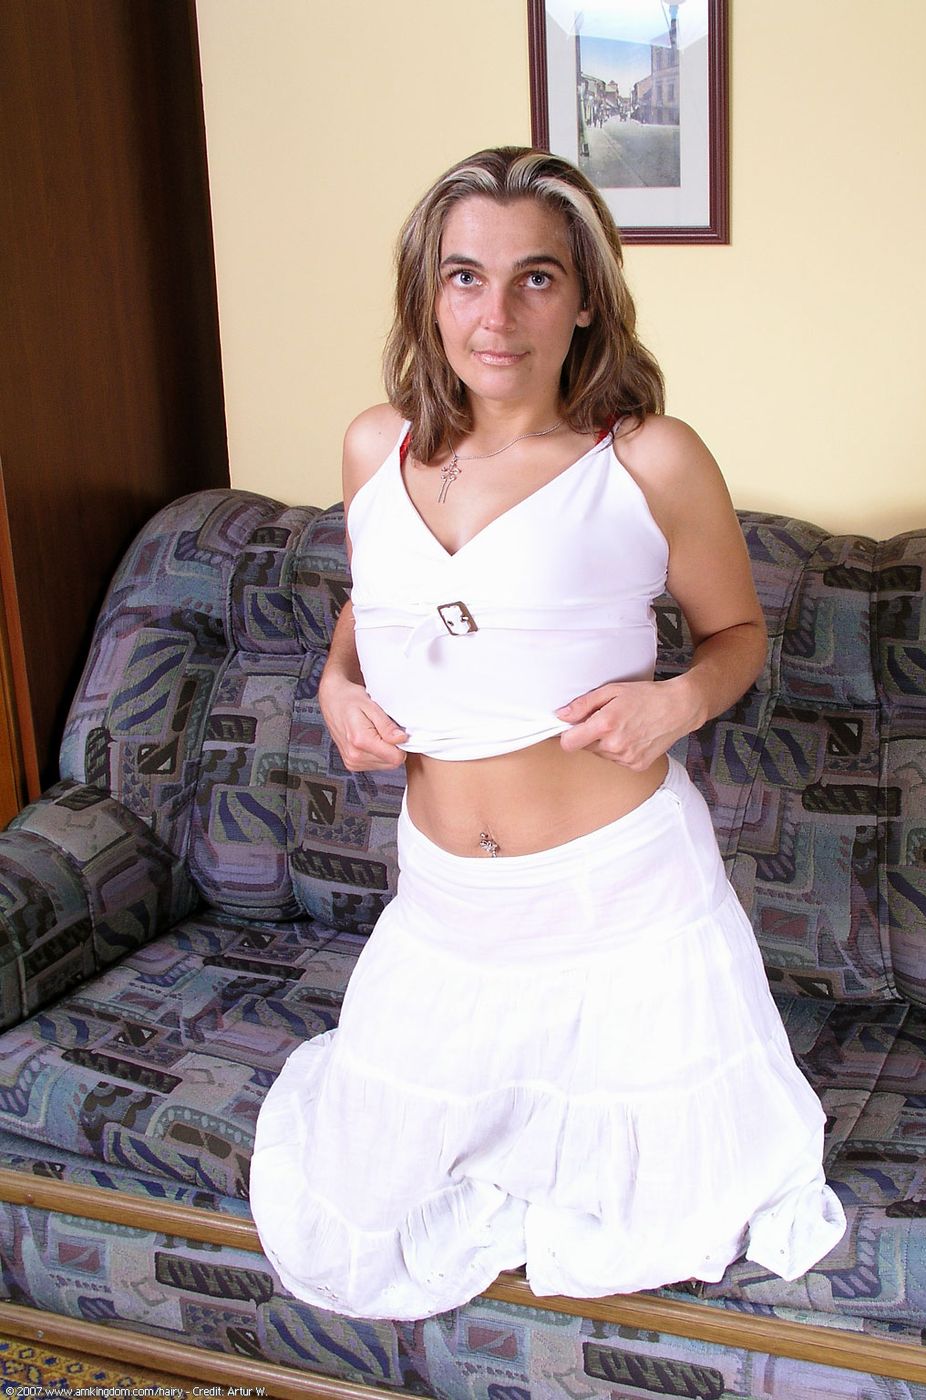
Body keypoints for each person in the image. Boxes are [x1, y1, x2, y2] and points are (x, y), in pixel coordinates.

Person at [249, 146, 846, 1321]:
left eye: (536, 277)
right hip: (445, 905)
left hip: (618, 904)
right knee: (357, 1213)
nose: (497, 314)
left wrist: (677, 699)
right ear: (429, 294)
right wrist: (333, 679)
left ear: (583, 299)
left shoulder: (648, 458)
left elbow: (736, 634)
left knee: (664, 1208)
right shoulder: (376, 447)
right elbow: (379, 599)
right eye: (466, 277)